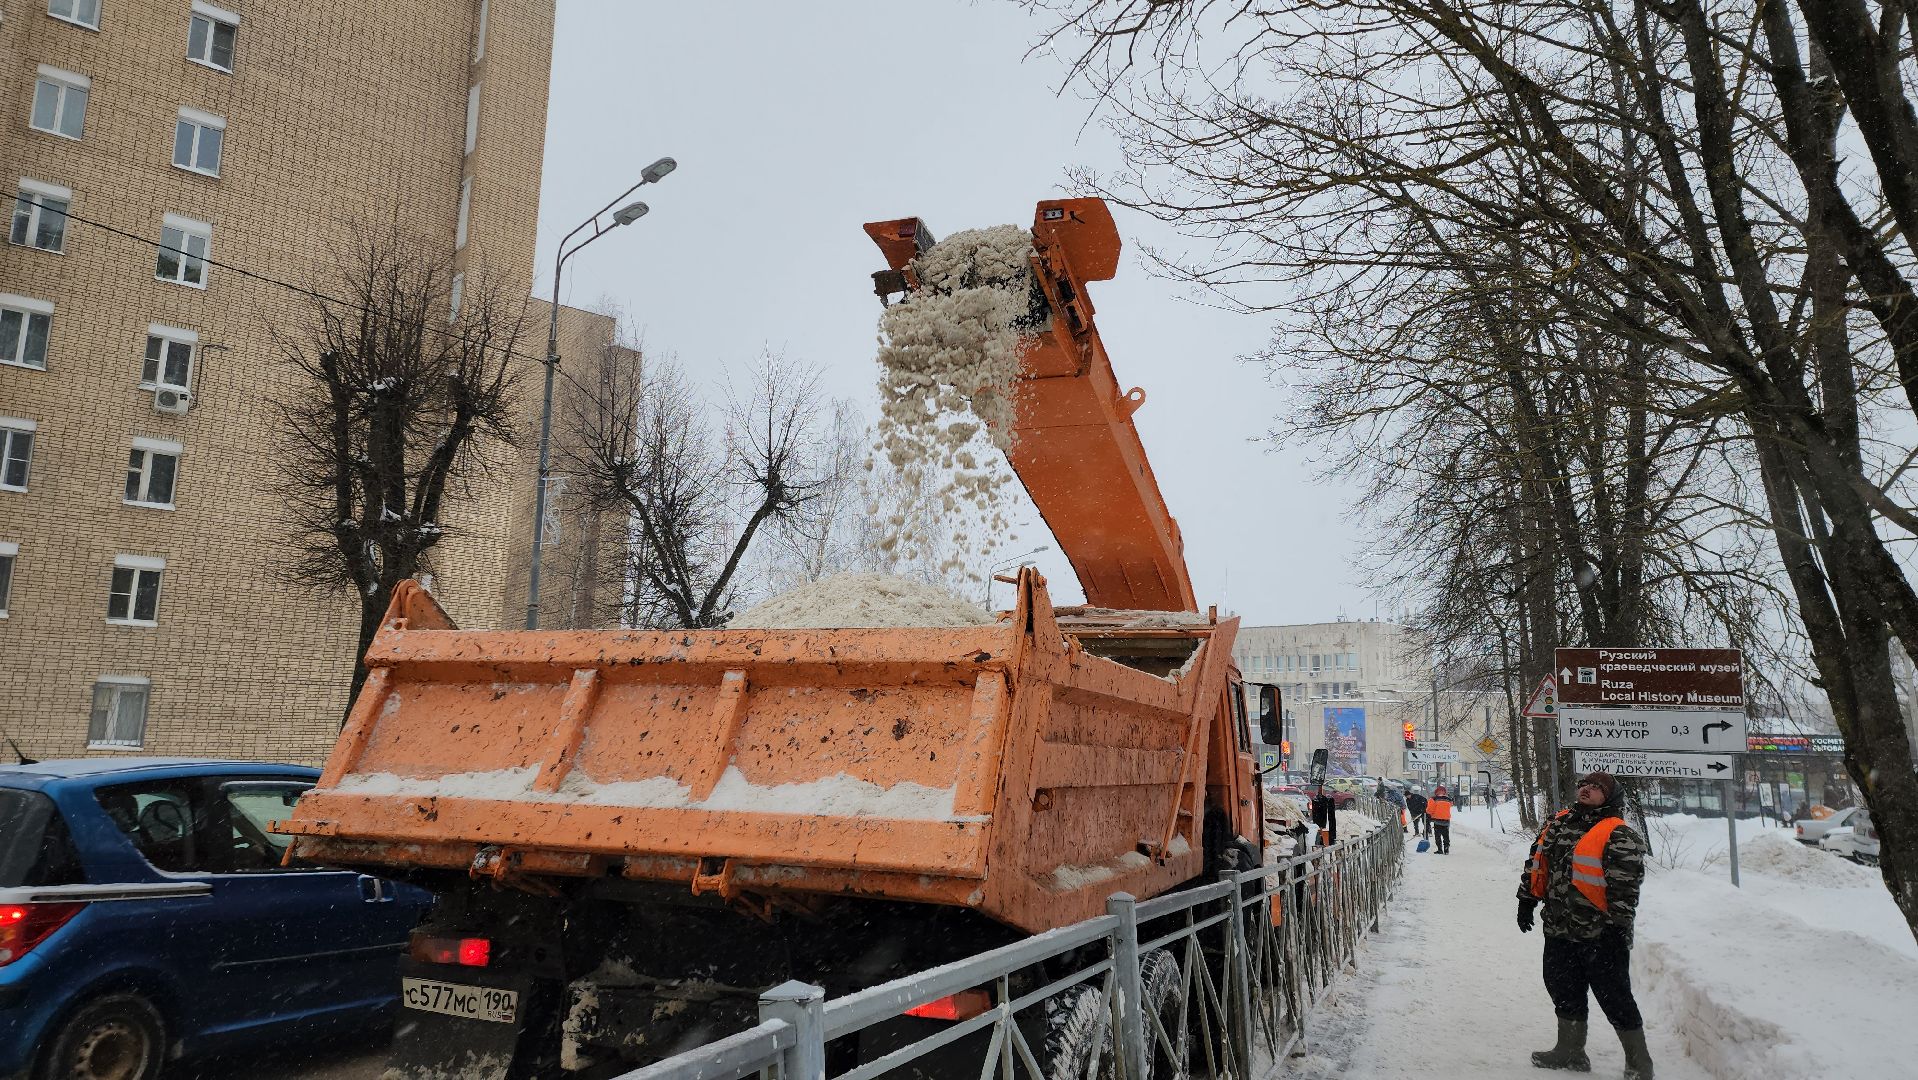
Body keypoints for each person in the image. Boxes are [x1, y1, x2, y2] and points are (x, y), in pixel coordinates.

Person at [1517, 771, 1652, 1079]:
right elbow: (1537, 863)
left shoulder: (1619, 833)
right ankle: (1571, 1052)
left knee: (1614, 996)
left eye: (1596, 787)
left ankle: (1639, 1062)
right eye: (1583, 785)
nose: (1587, 790)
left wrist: (1618, 929)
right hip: (1559, 928)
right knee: (1562, 989)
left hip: (1600, 934)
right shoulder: (1558, 823)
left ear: (1610, 796)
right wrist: (1526, 899)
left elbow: (1625, 889)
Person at [1426, 784, 1453, 853]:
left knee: (1438, 835)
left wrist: (1429, 814)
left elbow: (1430, 809)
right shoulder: (1448, 799)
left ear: (1436, 792)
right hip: (1446, 820)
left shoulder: (1433, 799)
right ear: (1444, 792)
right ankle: (1446, 849)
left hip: (1437, 820)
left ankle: (1440, 849)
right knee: (1446, 835)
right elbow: (1450, 806)